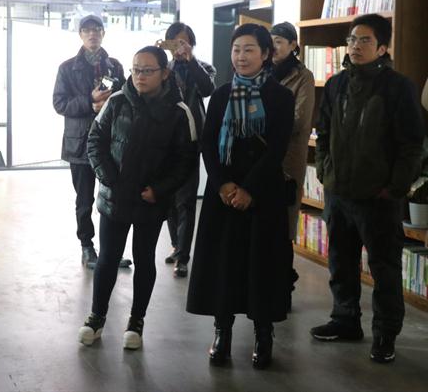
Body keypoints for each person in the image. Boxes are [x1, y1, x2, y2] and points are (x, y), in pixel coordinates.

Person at [310, 14, 424, 364]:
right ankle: (345, 320)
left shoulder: (398, 87)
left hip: (378, 198)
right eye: (352, 39)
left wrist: (394, 188)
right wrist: (326, 171)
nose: (355, 46)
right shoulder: (336, 84)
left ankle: (385, 334)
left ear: (383, 47)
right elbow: (323, 133)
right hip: (339, 193)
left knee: (384, 268)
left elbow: (412, 145)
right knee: (340, 262)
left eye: (364, 40)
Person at [187, 24, 294, 369]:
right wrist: (223, 185)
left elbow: (277, 149)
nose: (241, 56)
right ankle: (223, 332)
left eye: (249, 49)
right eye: (236, 50)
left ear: (266, 54)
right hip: (224, 196)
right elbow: (207, 143)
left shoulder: (280, 96)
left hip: (263, 195)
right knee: (224, 264)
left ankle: (264, 334)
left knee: (262, 265)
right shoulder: (221, 95)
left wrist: (249, 189)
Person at [78, 46, 197, 350]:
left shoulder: (178, 111)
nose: (140, 76)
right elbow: (95, 141)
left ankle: (136, 321)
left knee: (144, 260)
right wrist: (109, 178)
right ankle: (96, 317)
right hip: (114, 198)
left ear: (164, 73)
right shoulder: (117, 101)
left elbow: (185, 161)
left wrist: (159, 190)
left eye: (147, 70)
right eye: (136, 70)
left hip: (150, 201)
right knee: (108, 258)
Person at [52, 15, 130, 269]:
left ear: (103, 33)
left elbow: (126, 99)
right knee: (85, 201)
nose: (92, 34)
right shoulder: (67, 68)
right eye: (87, 30)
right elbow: (59, 103)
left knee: (113, 198)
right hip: (80, 144)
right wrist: (90, 102)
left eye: (96, 29)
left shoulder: (114, 66)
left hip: (111, 143)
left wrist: (107, 105)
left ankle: (111, 251)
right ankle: (87, 247)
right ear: (80, 35)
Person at [160, 22, 216, 278]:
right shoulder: (163, 69)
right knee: (169, 199)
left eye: (184, 41)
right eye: (175, 42)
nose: (179, 46)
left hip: (192, 138)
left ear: (191, 44)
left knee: (186, 199)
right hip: (165, 139)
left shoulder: (203, 67)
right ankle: (176, 245)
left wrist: (190, 60)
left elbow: (207, 89)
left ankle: (183, 255)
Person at [271, 21, 316, 308]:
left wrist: (261, 124)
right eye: (271, 40)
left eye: (279, 41)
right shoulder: (261, 72)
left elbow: (299, 121)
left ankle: (283, 287)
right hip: (260, 160)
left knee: (283, 227)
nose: (273, 46)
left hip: (287, 162)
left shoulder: (303, 77)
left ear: (293, 46)